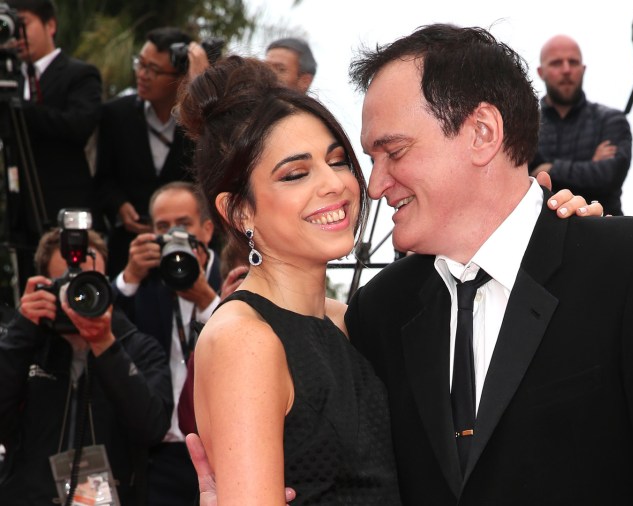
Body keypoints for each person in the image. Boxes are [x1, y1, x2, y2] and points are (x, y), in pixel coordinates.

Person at [344, 23, 633, 504]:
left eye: (393, 151)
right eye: (372, 158)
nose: (375, 185)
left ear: (482, 133)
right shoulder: (378, 313)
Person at [179, 51, 599, 503]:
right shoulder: (245, 340)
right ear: (238, 210)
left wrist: (555, 234)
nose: (335, 184)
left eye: (338, 161)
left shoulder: (359, 320)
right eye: (296, 173)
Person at [0, 227, 172, 505]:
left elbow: (151, 428)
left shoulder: (139, 348)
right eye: (64, 287)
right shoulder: (26, 347)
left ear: (106, 285)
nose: (76, 299)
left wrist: (106, 345)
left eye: (87, 285)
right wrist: (21, 330)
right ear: (44, 287)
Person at [115, 181, 221, 506]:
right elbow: (105, 334)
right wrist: (128, 278)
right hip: (154, 453)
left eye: (183, 225)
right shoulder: (145, 279)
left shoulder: (237, 270)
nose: (172, 235)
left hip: (219, 452)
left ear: (206, 229)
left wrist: (208, 302)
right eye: (162, 227)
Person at [6, 0, 101, 283]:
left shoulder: (79, 74)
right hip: (17, 212)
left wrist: (20, 108)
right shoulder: (9, 77)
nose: (18, 35)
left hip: (63, 204)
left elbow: (79, 125)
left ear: (50, 25)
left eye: (24, 24)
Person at [94, 27, 197, 277]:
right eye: (141, 64)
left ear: (180, 78)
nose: (143, 74)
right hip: (129, 249)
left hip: (188, 251)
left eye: (154, 70)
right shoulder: (115, 114)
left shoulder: (199, 123)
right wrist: (119, 206)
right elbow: (102, 179)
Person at [529, 34, 633, 216]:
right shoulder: (526, 124)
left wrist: (549, 169)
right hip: (540, 234)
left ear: (583, 69)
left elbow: (608, 177)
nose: (566, 70)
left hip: (601, 231)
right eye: (556, 63)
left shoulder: (611, 120)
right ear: (540, 72)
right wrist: (588, 166)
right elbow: (522, 181)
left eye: (573, 62)